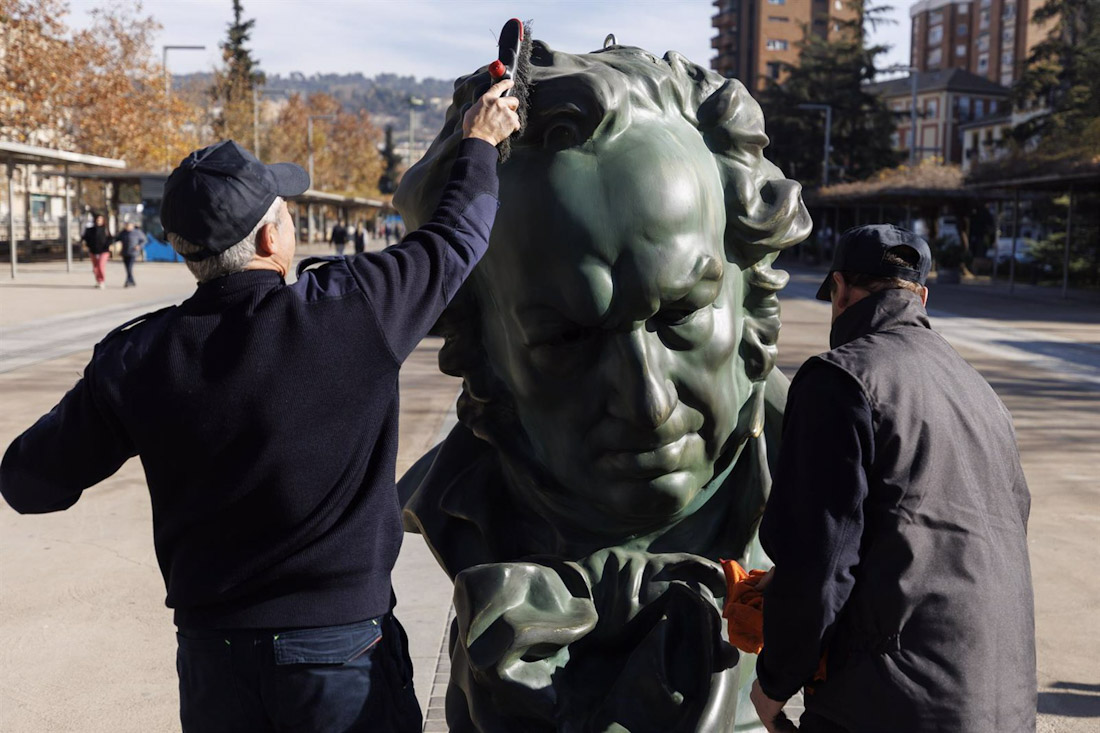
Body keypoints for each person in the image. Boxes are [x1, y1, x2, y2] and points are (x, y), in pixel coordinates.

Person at [0, 78, 519, 732]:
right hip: (341, 654)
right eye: (286, 211)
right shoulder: (351, 311)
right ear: (272, 237)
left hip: (215, 663)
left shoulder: (137, 358)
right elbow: (456, 237)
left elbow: (28, 483)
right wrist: (479, 142)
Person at [394, 42, 811, 732]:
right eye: (566, 339)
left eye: (681, 314)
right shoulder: (449, 506)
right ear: (483, 347)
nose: (648, 405)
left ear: (752, 288)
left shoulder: (838, 478)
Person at [750, 224, 1036, 733]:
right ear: (921, 297)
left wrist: (775, 681)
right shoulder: (983, 394)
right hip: (1002, 701)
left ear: (839, 289)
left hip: (886, 703)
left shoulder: (841, 379)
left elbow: (820, 560)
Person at [81, 213, 111, 288]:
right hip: (93, 251)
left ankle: (101, 281)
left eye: (100, 219)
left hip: (104, 251)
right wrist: (88, 245)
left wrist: (107, 245)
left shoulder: (106, 229)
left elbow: (110, 238)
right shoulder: (90, 229)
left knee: (100, 266)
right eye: (98, 219)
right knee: (95, 268)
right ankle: (98, 281)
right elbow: (85, 238)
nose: (99, 221)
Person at [116, 220, 147, 287]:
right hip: (125, 252)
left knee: (129, 267)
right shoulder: (123, 233)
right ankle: (132, 281)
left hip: (133, 252)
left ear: (132, 226)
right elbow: (117, 239)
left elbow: (144, 240)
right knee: (127, 268)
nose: (128, 227)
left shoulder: (137, 232)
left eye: (129, 225)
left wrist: (139, 246)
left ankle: (127, 281)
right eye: (126, 225)